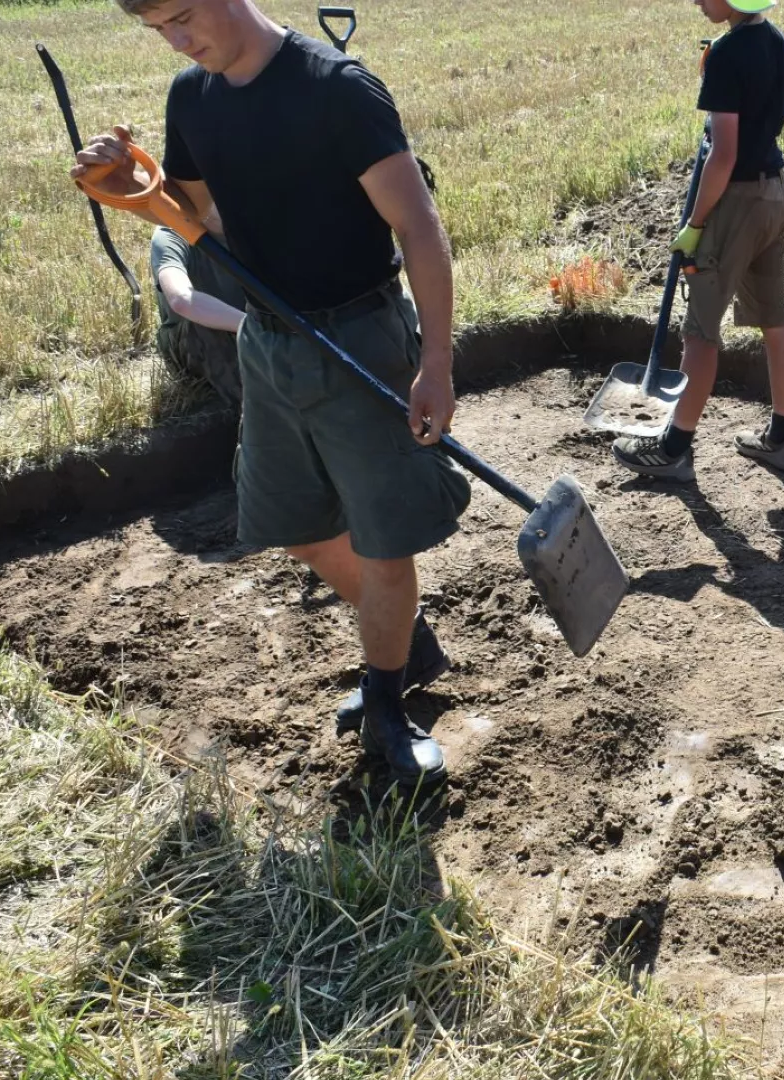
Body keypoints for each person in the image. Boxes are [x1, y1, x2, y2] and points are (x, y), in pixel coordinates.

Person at [73, 0, 469, 783]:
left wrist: (437, 365)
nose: (179, 40)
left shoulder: (338, 91)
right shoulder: (193, 98)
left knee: (385, 540)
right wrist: (136, 187)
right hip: (270, 342)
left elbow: (419, 229)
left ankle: (387, 700)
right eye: (159, 29)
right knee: (294, 525)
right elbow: (202, 220)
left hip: (359, 335)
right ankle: (406, 640)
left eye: (184, 16)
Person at [611, 0, 784, 481]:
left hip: (735, 202)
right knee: (775, 318)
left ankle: (674, 448)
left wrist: (696, 224)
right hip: (775, 193)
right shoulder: (773, 37)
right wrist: (750, 93)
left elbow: (722, 154)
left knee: (700, 331)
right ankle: (782, 440)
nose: (696, 0)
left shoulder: (725, 53)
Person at [150, 221, 246, 406]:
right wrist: (253, 327)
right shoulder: (171, 232)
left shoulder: (245, 221)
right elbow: (182, 300)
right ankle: (251, 409)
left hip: (246, 328)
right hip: (189, 338)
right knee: (205, 325)